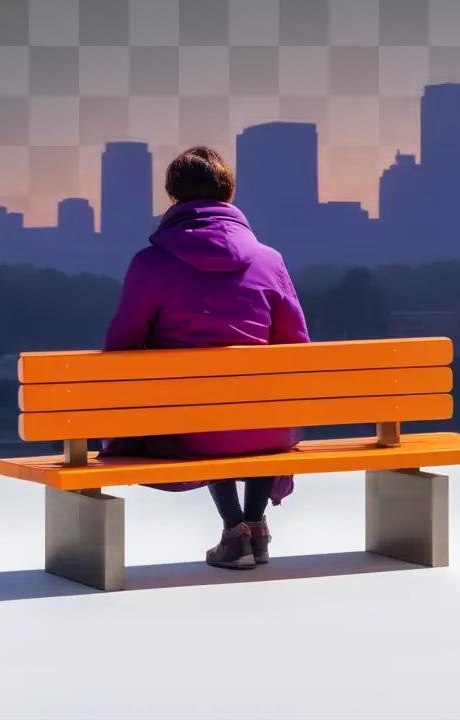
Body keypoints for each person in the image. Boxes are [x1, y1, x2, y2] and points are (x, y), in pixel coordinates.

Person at [99, 145, 310, 571]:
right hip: (267, 427)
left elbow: (120, 348)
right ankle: (254, 525)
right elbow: (296, 343)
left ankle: (237, 532)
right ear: (228, 194)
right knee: (248, 407)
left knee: (204, 412)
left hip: (192, 428)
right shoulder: (270, 261)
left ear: (173, 196)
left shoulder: (151, 264)